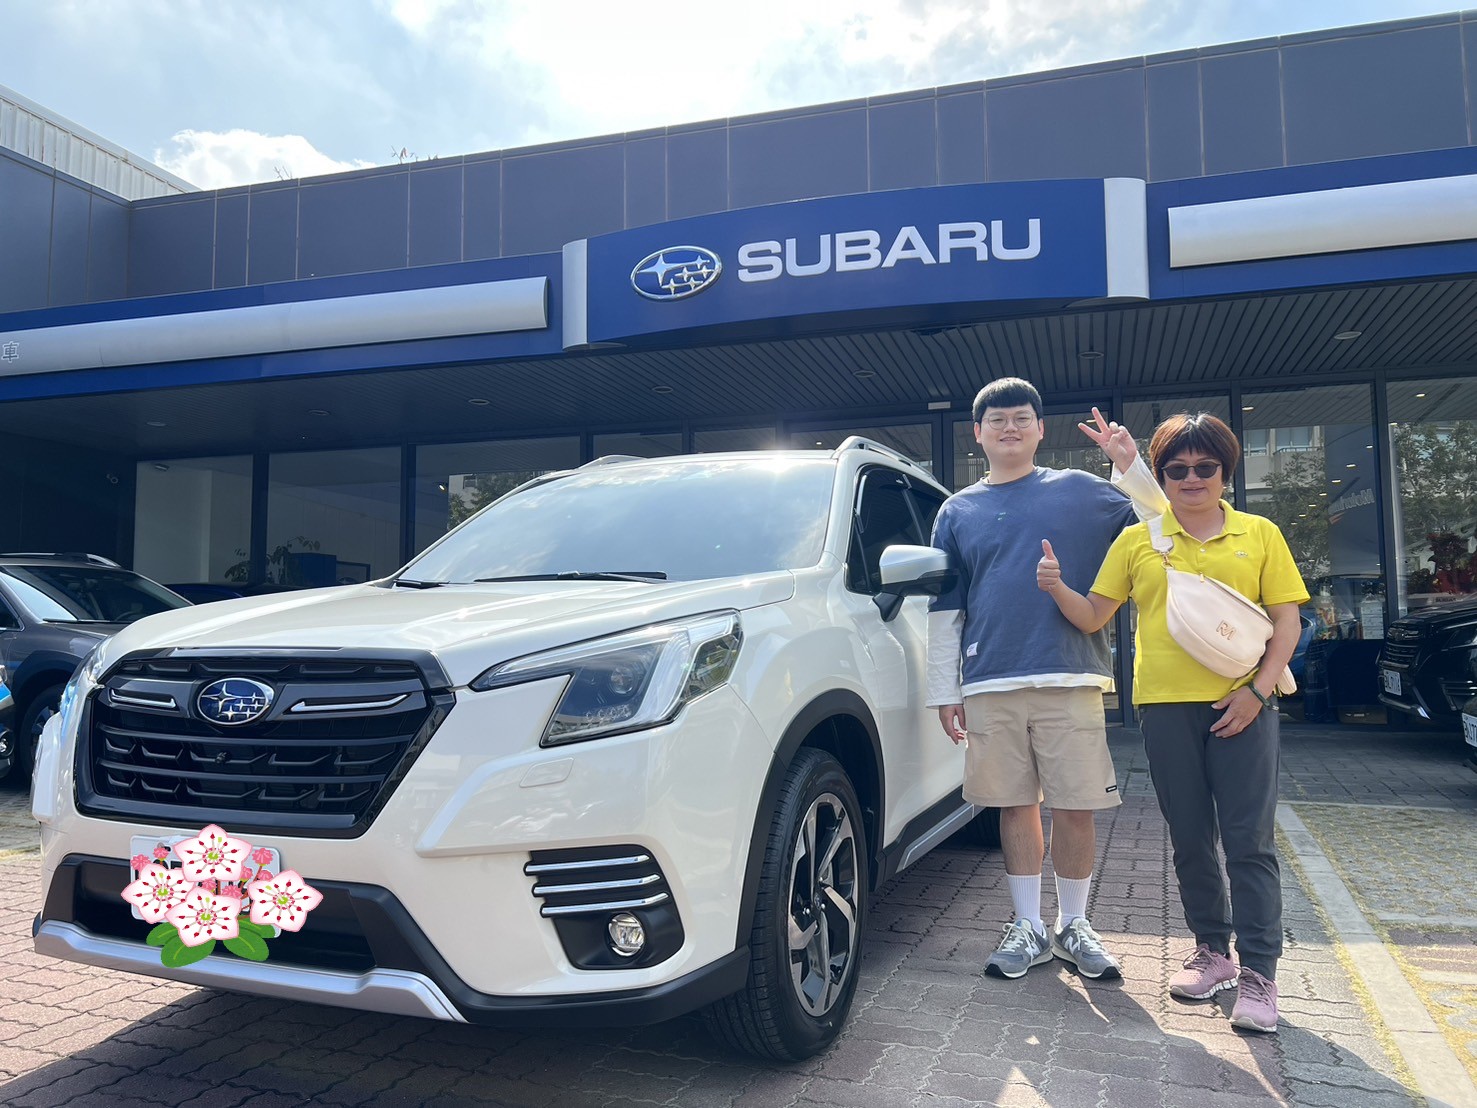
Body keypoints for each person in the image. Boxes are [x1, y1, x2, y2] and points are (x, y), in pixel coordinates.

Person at [1036, 411, 1307, 1033]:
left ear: (1225, 471)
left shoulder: (1260, 533)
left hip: (1245, 705)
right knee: (1189, 838)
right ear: (1159, 477)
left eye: (1205, 466)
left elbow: (1286, 622)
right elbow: (1093, 615)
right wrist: (1055, 587)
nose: (1191, 478)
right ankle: (1213, 952)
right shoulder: (1140, 540)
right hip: (1164, 709)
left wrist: (1257, 693)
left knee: (1249, 842)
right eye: (1176, 469)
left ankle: (1260, 974)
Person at [928, 377, 1165, 981]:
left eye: (1021, 418)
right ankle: (1029, 925)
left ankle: (1075, 924)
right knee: (1014, 806)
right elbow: (946, 607)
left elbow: (1159, 525)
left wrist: (1130, 465)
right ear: (977, 433)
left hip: (1070, 673)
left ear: (1040, 429)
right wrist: (944, 690)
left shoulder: (1082, 490)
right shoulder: (956, 510)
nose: (1009, 428)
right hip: (989, 680)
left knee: (1076, 805)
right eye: (997, 420)